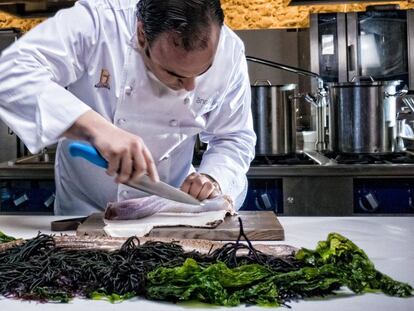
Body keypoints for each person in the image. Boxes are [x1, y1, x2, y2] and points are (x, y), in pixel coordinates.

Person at [0, 0, 256, 215]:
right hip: (85, 214)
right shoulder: (99, 21)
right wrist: (97, 129)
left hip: (170, 215)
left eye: (203, 71)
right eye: (174, 74)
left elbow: (233, 138)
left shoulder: (230, 52)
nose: (190, 87)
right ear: (142, 34)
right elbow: (10, 74)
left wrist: (213, 177)